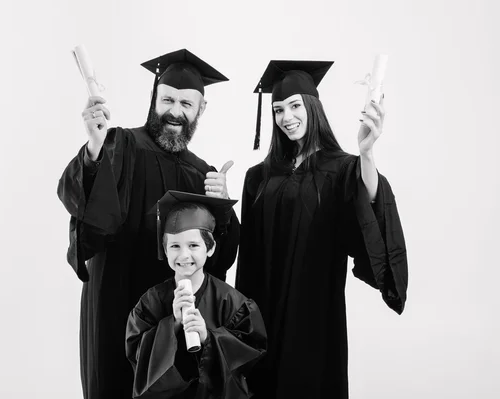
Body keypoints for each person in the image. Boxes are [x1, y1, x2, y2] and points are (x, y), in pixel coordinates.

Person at [57, 49, 240, 399]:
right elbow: (80, 199)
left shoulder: (203, 172)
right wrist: (94, 149)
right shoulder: (120, 144)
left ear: (201, 110)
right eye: (168, 99)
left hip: (171, 315)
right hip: (115, 303)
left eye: (187, 104)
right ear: (154, 98)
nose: (175, 112)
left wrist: (224, 209)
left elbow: (220, 258)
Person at [235, 60, 408, 399]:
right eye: (278, 109)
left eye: (295, 105)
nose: (287, 117)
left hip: (314, 316)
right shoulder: (258, 176)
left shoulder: (341, 170)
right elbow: (248, 258)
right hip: (263, 316)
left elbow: (368, 206)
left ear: (313, 107)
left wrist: (367, 154)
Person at [126, 191, 267, 398]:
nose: (184, 255)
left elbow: (250, 358)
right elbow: (137, 355)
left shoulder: (233, 303)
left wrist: (208, 338)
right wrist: (171, 324)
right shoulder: (151, 302)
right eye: (175, 246)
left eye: (193, 245)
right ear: (165, 251)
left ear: (209, 249)